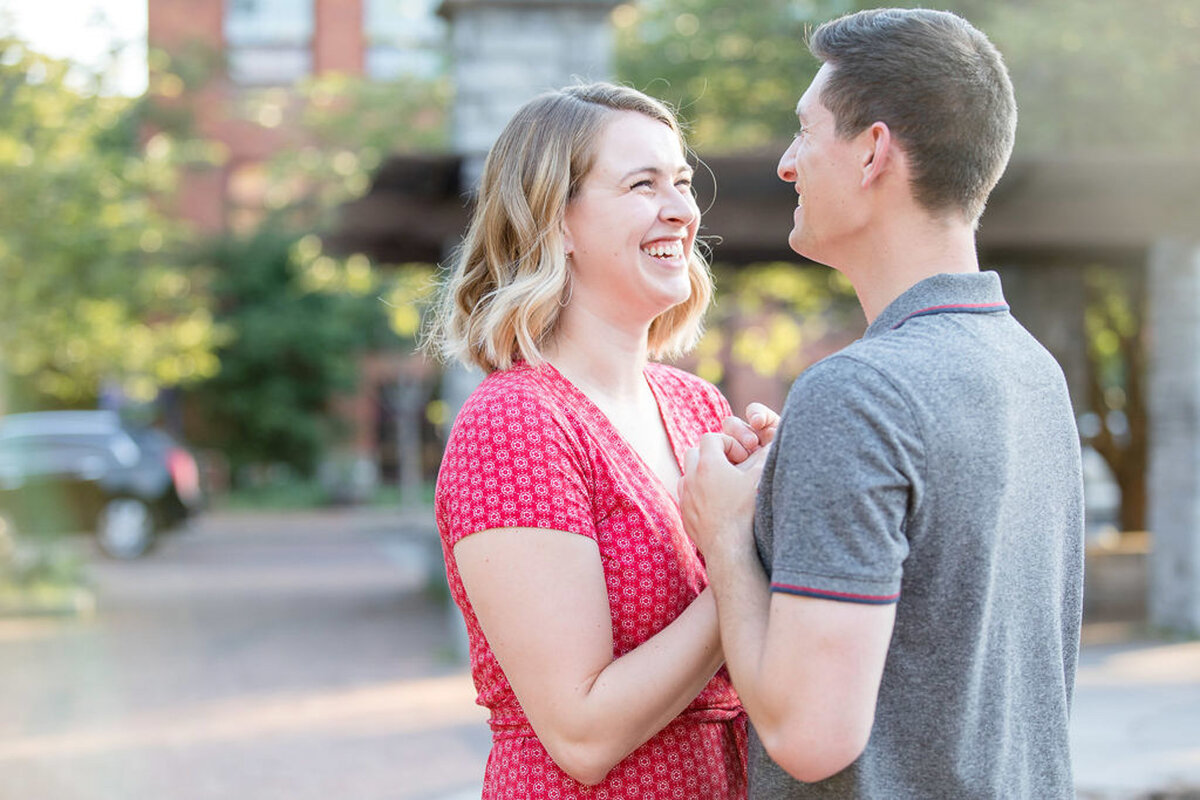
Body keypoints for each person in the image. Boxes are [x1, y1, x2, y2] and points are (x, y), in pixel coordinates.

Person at [678, 8, 1085, 798]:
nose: (789, 163)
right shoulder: (1032, 370)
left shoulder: (858, 393)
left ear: (872, 151)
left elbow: (807, 735)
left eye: (806, 130)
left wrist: (726, 535)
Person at [427, 82, 764, 799]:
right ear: (556, 222)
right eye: (643, 184)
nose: (681, 208)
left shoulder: (696, 405)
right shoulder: (515, 424)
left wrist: (792, 493)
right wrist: (741, 546)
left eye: (680, 181)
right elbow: (582, 734)